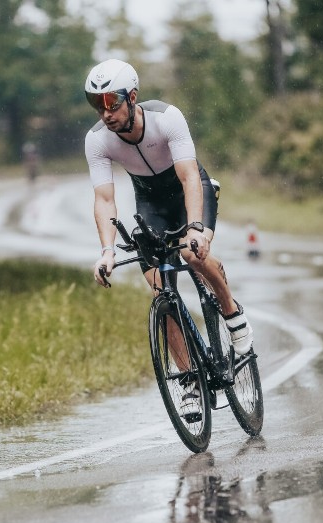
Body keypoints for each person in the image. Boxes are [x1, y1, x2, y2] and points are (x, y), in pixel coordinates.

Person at [83, 59, 253, 415]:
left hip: (190, 190)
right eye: (95, 103)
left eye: (111, 102)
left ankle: (232, 312)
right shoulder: (97, 141)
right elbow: (104, 198)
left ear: (132, 97)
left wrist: (194, 229)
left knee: (193, 255)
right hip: (151, 204)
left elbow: (190, 176)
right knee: (161, 285)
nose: (105, 113)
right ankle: (189, 378)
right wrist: (106, 251)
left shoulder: (166, 118)